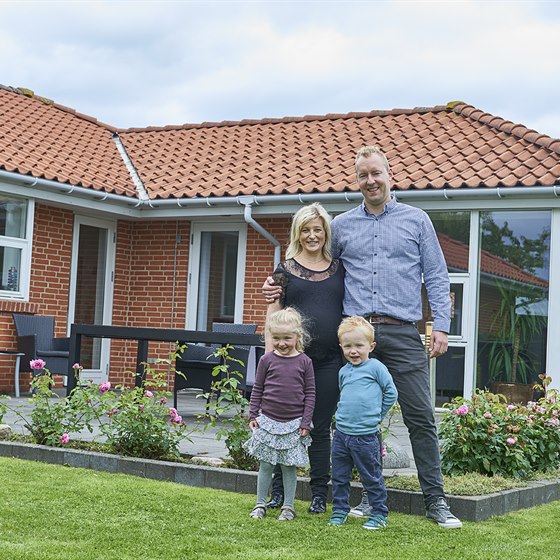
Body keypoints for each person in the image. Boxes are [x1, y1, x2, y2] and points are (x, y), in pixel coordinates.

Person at [264, 145, 462, 529]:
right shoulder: (341, 227)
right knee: (351, 419)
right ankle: (362, 497)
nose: (370, 181)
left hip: (403, 332)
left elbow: (437, 277)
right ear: (356, 181)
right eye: (363, 176)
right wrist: (279, 284)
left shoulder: (416, 220)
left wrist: (441, 326)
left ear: (390, 174)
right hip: (353, 336)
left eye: (376, 173)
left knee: (420, 416)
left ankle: (436, 502)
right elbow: (317, 264)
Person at [265, 202, 344, 514]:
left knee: (319, 427)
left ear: (325, 233)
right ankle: (275, 493)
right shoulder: (283, 271)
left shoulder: (340, 267)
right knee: (281, 425)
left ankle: (318, 495)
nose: (312, 235)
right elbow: (272, 315)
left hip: (329, 361)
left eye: (318, 230)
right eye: (306, 230)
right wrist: (270, 357)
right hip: (291, 361)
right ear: (298, 233)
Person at [244, 307, 316, 521]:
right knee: (266, 464)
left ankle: (288, 506)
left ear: (298, 336)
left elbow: (310, 393)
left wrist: (306, 421)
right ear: (270, 337)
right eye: (276, 338)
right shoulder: (267, 360)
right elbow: (257, 388)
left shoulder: (305, 362)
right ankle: (259, 504)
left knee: (288, 466)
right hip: (267, 422)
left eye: (287, 338)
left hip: (293, 424)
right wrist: (252, 415)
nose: (281, 343)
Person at [328, 316, 397, 529]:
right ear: (341, 347)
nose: (353, 351)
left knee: (371, 478)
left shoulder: (376, 367)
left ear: (371, 346)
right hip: (341, 435)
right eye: (348, 346)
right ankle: (340, 510)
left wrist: (377, 415)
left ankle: (379, 514)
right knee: (339, 477)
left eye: (359, 345)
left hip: (366, 437)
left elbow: (391, 393)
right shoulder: (343, 371)